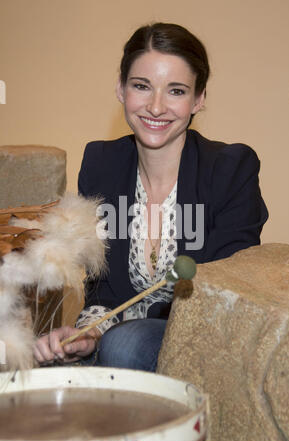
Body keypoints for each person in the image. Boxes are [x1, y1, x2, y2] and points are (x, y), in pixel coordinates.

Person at [34, 23, 268, 371]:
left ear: (199, 99)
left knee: (125, 345)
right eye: (142, 86)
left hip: (202, 338)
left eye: (176, 91)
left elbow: (223, 301)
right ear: (121, 88)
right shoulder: (102, 164)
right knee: (50, 359)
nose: (156, 107)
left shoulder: (231, 169)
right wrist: (87, 334)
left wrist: (112, 338)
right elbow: (103, 290)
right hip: (117, 338)